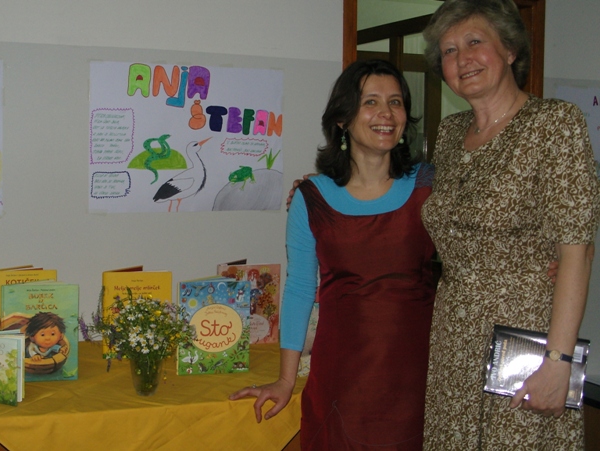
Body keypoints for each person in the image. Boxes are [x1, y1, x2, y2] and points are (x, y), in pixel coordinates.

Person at [230, 59, 437, 449]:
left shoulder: (430, 187)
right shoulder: (313, 198)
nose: (386, 113)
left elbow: (475, 254)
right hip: (342, 373)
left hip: (419, 372)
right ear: (342, 119)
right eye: (370, 102)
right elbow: (300, 289)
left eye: (395, 102)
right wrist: (286, 380)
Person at [419, 0, 599, 448]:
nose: (462, 58)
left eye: (475, 42)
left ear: (510, 50)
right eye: (449, 51)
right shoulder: (450, 132)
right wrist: (326, 184)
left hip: (526, 336)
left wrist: (558, 362)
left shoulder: (554, 124)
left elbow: (577, 251)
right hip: (454, 331)